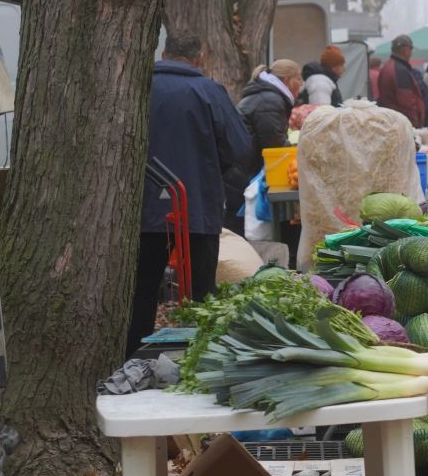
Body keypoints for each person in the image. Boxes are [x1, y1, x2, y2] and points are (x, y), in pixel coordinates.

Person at [129, 33, 252, 356]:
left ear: (165, 52)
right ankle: (202, 358)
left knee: (141, 292)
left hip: (142, 211)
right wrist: (212, 168)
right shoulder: (209, 91)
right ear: (200, 56)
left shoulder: (138, 87)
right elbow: (240, 146)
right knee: (201, 293)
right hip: (197, 206)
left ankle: (131, 359)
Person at [238, 58, 302, 156]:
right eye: (298, 78)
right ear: (287, 80)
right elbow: (275, 146)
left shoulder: (267, 96)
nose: (301, 83)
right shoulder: (269, 102)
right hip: (246, 166)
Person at [376, 34, 428, 129]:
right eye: (411, 50)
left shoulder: (388, 67)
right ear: (405, 50)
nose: (411, 53)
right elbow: (406, 103)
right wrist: (413, 126)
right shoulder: (399, 70)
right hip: (401, 125)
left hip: (393, 121)